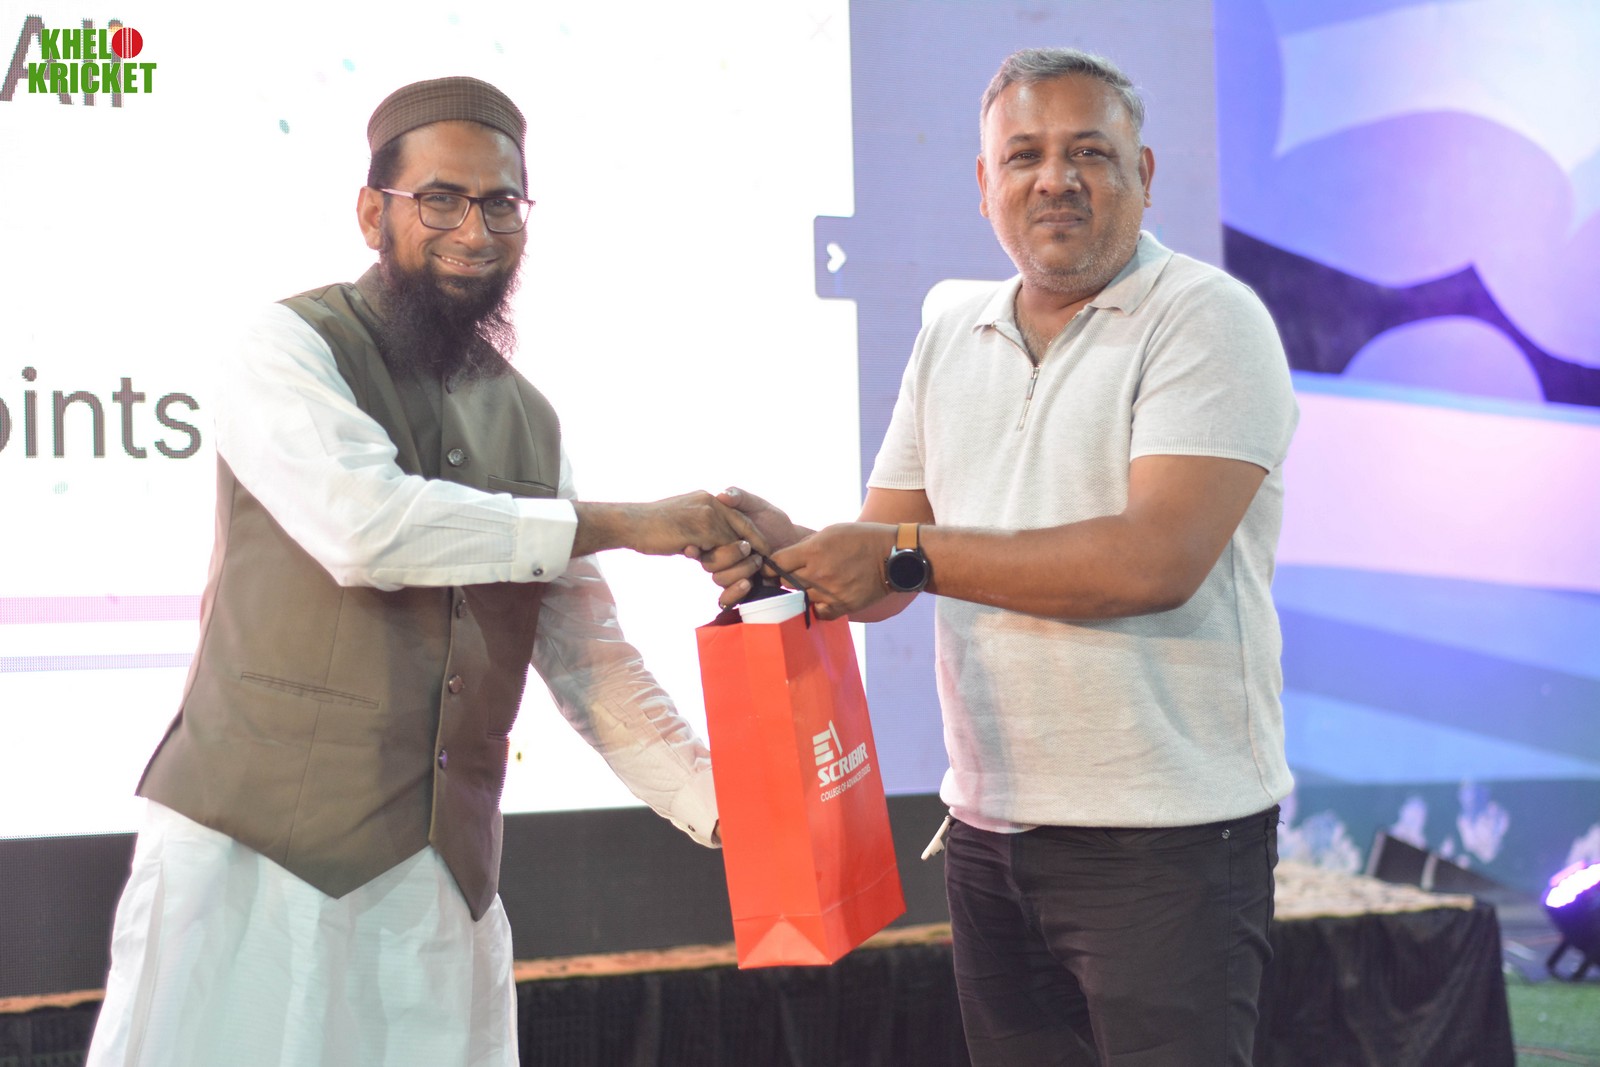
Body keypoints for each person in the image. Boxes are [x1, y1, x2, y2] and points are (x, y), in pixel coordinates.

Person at [87, 76, 754, 1067]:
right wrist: (625, 522)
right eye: (440, 199)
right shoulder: (285, 347)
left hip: (432, 892)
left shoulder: (530, 419)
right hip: (247, 869)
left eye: (500, 203)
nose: (474, 231)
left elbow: (589, 658)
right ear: (373, 212)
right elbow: (369, 528)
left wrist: (729, 808)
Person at [702, 48, 1298, 1066]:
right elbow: (885, 570)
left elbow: (1150, 563)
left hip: (1165, 839)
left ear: (1145, 173)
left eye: (1088, 152)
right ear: (985, 184)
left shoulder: (1207, 317)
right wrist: (794, 553)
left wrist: (895, 556)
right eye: (1024, 155)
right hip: (989, 832)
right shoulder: (949, 324)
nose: (1054, 178)